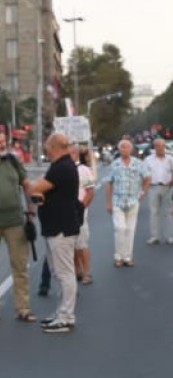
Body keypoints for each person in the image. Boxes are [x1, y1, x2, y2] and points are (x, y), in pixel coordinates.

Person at [29, 133, 80, 333]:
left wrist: (39, 187)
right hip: (56, 226)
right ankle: (61, 313)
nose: (46, 149)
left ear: (54, 147)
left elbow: (37, 187)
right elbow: (40, 190)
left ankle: (66, 317)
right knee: (58, 272)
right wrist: (40, 191)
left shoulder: (62, 168)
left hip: (62, 227)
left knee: (65, 273)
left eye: (47, 146)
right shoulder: (60, 165)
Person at [0, 131, 38, 322]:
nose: (1, 145)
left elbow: (27, 186)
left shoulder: (13, 162)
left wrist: (31, 213)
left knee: (20, 266)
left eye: (3, 142)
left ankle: (23, 308)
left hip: (15, 221)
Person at [105, 139, 150, 267]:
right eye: (122, 147)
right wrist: (108, 202)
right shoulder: (115, 164)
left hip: (133, 200)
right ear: (119, 149)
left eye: (127, 147)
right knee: (120, 228)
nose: (125, 149)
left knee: (130, 230)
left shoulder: (138, 163)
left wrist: (143, 192)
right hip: (118, 200)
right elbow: (109, 182)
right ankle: (118, 256)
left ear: (131, 150)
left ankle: (127, 257)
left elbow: (147, 177)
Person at [143, 138, 173, 245]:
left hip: (167, 186)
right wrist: (145, 188)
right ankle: (155, 236)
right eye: (157, 146)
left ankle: (170, 236)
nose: (160, 148)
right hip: (153, 186)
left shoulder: (171, 159)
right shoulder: (148, 159)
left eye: (162, 146)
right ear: (154, 147)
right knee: (154, 212)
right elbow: (144, 174)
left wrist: (172, 183)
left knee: (169, 212)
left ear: (164, 147)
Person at [72, 145, 96, 285]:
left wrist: (81, 208)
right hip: (66, 214)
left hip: (79, 214)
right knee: (73, 246)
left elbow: (90, 192)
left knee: (82, 244)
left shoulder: (84, 170)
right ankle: (77, 270)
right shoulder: (63, 170)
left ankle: (87, 272)